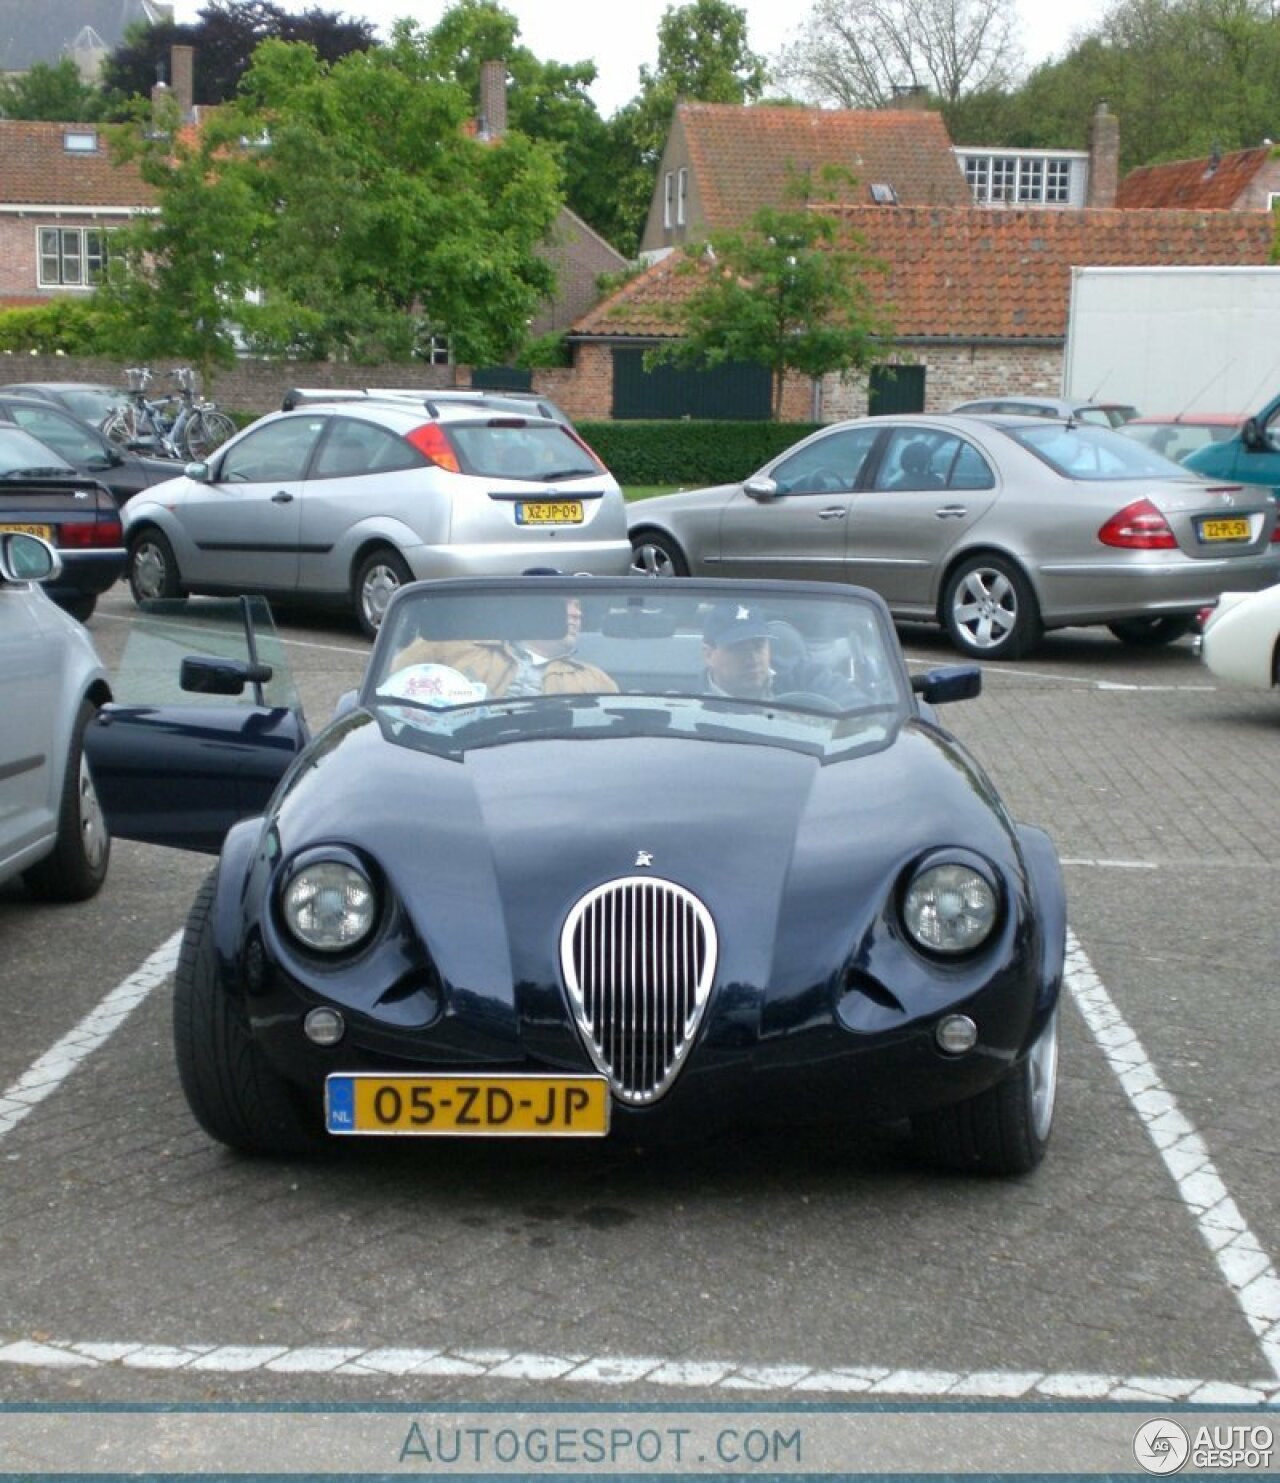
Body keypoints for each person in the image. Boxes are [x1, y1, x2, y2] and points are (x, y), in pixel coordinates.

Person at [390, 593, 617, 697]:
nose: (577, 614)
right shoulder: (451, 648)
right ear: (535, 609)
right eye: (567, 605)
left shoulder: (594, 680)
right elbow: (389, 691)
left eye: (579, 606)